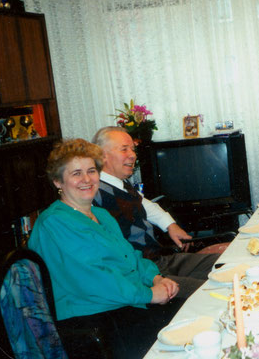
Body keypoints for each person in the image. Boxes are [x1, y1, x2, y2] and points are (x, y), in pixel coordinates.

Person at [28, 139, 181, 358]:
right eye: (76, 174)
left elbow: (131, 257)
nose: (87, 179)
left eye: (91, 171)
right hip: (91, 318)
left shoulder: (100, 215)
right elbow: (93, 278)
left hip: (123, 303)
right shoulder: (54, 223)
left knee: (190, 316)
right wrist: (148, 295)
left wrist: (155, 278)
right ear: (57, 182)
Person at [92, 126, 219, 298]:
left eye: (133, 149)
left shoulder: (119, 184)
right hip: (146, 274)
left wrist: (170, 225)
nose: (133, 155)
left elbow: (146, 204)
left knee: (228, 264)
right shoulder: (95, 195)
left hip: (160, 261)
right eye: (124, 149)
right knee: (216, 291)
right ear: (102, 156)